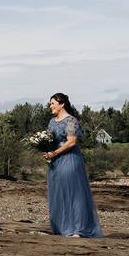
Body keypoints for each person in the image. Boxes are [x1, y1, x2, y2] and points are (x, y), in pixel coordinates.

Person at [43, 93, 102, 237]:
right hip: (55, 163)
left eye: (52, 103)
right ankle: (62, 227)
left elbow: (72, 142)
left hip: (70, 160)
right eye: (50, 103)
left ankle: (79, 229)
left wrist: (54, 153)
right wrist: (45, 149)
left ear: (62, 104)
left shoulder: (71, 120)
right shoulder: (51, 122)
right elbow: (49, 140)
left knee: (75, 194)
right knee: (59, 193)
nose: (50, 106)